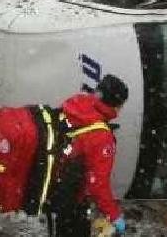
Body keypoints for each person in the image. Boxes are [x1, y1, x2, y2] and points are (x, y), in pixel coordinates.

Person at [45, 75, 128, 236]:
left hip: (56, 185)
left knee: (62, 228)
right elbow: (98, 184)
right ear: (116, 104)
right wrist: (114, 215)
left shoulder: (76, 102)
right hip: (73, 198)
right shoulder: (102, 137)